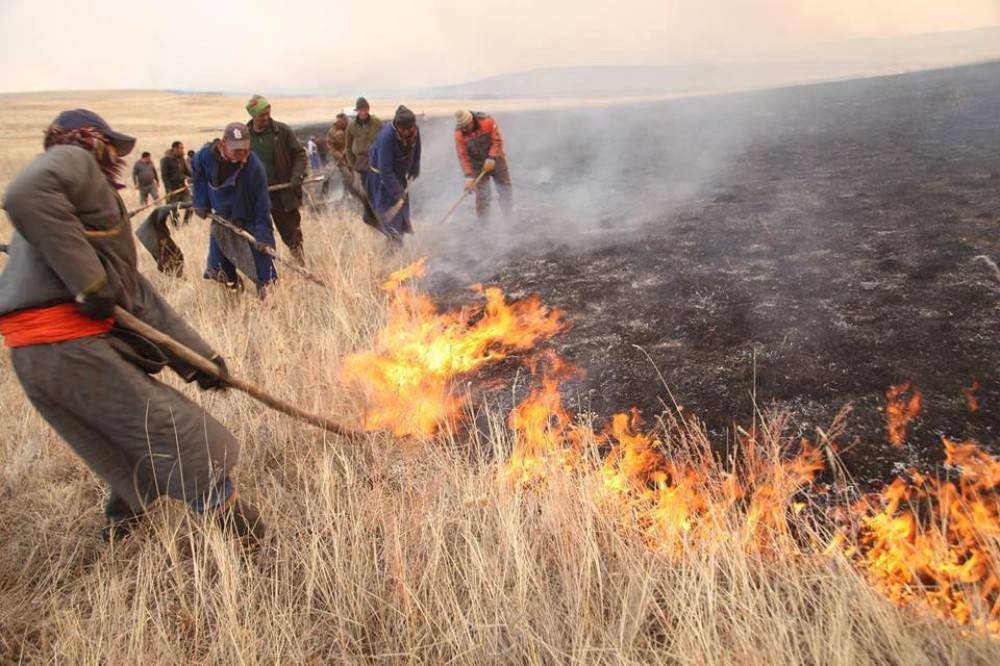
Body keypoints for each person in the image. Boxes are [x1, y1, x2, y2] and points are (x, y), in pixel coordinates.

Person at [0, 109, 264, 547]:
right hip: (67, 347)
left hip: (41, 358)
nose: (113, 157)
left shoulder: (76, 209)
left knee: (126, 443)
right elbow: (23, 192)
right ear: (92, 141)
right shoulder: (75, 160)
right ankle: (251, 541)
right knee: (175, 434)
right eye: (110, 147)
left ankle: (119, 534)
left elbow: (137, 296)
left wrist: (200, 360)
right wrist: (89, 283)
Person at [191, 122, 277, 294]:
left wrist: (262, 235)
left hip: (249, 219)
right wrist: (201, 202)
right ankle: (236, 290)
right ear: (223, 144)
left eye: (246, 150)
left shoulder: (254, 167)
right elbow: (197, 174)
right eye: (237, 151)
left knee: (264, 269)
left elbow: (262, 205)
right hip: (222, 220)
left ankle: (268, 299)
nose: (243, 156)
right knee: (219, 268)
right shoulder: (204, 157)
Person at [245, 94, 308, 265]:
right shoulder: (244, 136)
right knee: (260, 235)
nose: (266, 117)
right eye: (262, 115)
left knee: (292, 233)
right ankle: (267, 269)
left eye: (268, 113)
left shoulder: (282, 131)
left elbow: (300, 154)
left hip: (282, 193)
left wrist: (297, 176)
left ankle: (300, 264)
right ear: (253, 115)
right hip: (257, 197)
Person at [364, 105, 421, 239]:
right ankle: (392, 247)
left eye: (410, 129)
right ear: (397, 126)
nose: (407, 132)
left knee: (400, 214)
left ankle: (397, 239)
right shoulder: (386, 137)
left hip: (398, 176)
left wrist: (414, 169)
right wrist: (398, 193)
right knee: (390, 218)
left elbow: (417, 149)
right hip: (382, 180)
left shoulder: (414, 130)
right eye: (403, 130)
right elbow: (385, 171)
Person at [454, 110, 513, 219]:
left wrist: (491, 158)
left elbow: (497, 141)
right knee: (482, 197)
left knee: (505, 190)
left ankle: (508, 217)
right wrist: (469, 177)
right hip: (476, 165)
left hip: (497, 159)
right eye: (462, 127)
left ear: (471, 121)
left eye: (466, 126)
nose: (465, 129)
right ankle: (484, 226)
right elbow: (463, 156)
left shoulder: (487, 122)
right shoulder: (459, 134)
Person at [345, 97, 383, 191]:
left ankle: (378, 204)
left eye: (365, 110)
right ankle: (369, 204)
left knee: (378, 185)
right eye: (360, 110)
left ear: (368, 109)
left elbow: (384, 142)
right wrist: (352, 163)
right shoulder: (351, 126)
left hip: (376, 159)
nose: (363, 112)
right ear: (357, 111)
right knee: (365, 187)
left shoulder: (377, 123)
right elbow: (348, 147)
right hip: (360, 162)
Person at [160, 140, 193, 225]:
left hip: (183, 187)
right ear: (175, 149)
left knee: (191, 206)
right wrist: (168, 189)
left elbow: (187, 171)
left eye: (183, 148)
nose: (183, 150)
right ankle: (176, 227)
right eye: (181, 149)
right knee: (173, 209)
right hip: (173, 189)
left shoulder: (182, 159)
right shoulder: (165, 160)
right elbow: (165, 176)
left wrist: (195, 177)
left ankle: (186, 224)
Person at [324, 113, 353, 199]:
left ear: (345, 121)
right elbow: (329, 146)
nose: (339, 122)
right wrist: (338, 154)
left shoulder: (351, 128)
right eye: (338, 121)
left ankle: (347, 194)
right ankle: (350, 193)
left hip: (350, 157)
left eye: (341, 121)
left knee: (352, 177)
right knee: (348, 176)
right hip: (340, 159)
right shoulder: (332, 131)